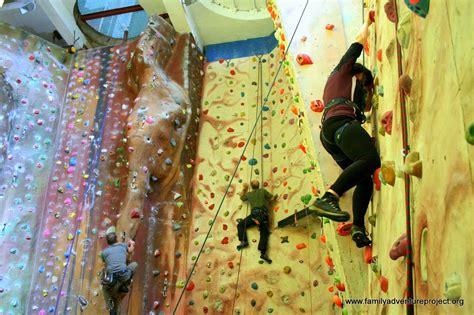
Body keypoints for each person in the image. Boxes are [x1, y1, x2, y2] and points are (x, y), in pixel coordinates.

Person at [310, 12, 380, 248]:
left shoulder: (338, 87)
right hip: (339, 124)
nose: (362, 87)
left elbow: (365, 106)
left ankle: (358, 227)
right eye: (363, 82)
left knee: (364, 177)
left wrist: (366, 94)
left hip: (330, 134)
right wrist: (368, 23)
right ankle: (329, 197)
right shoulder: (343, 69)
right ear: (357, 73)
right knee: (370, 158)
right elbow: (358, 42)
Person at [236, 180, 277, 263]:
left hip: (254, 216)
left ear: (252, 186)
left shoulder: (249, 194)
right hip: (263, 217)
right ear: (258, 185)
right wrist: (276, 196)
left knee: (240, 225)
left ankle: (244, 241)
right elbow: (272, 198)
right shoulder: (263, 191)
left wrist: (244, 189)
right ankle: (263, 253)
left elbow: (242, 198)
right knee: (264, 233)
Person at [101, 230, 138, 314]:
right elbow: (131, 250)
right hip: (124, 275)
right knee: (134, 264)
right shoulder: (122, 246)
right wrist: (131, 243)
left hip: (111, 278)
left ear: (108, 242)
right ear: (116, 239)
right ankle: (124, 285)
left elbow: (105, 261)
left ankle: (111, 309)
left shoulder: (104, 252)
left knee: (105, 288)